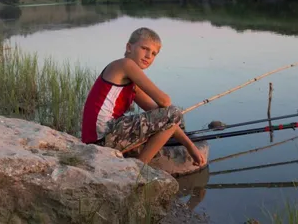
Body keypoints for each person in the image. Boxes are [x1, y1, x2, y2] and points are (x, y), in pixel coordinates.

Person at [81, 27, 206, 167]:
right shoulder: (125, 65)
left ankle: (140, 161)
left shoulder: (131, 84)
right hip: (102, 135)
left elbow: (161, 115)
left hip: (101, 137)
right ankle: (140, 167)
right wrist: (186, 140)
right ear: (129, 47)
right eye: (145, 48)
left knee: (175, 118)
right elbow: (165, 102)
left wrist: (190, 147)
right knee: (174, 112)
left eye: (154, 54)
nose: (148, 56)